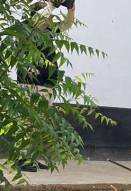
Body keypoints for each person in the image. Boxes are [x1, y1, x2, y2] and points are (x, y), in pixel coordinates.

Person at [15, 0, 76, 172]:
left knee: (42, 121)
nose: (49, 17)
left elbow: (66, 25)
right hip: (30, 80)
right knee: (28, 121)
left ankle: (32, 157)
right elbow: (39, 19)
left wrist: (71, 8)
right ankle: (22, 159)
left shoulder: (48, 30)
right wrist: (51, 3)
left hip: (46, 80)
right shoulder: (30, 27)